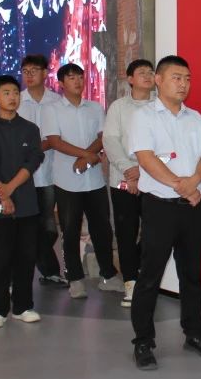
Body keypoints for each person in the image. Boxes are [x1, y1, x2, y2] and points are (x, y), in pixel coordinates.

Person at [128, 55, 201, 370]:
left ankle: (194, 333)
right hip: (160, 207)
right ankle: (143, 341)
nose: (183, 84)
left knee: (191, 275)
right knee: (150, 276)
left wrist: (193, 183)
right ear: (159, 80)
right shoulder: (144, 117)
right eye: (177, 78)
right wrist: (183, 185)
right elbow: (146, 158)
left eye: (187, 78)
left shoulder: (196, 118)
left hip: (192, 208)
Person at [0, 75, 45, 328]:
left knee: (25, 258)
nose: (12, 97)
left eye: (15, 92)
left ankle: (23, 306)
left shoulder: (30, 129)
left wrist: (11, 188)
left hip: (26, 203)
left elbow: (34, 160)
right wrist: (2, 195)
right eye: (6, 93)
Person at [40, 63, 116, 300]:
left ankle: (108, 276)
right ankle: (75, 279)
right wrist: (86, 156)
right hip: (66, 181)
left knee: (102, 229)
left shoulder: (94, 107)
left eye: (81, 77)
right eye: (72, 78)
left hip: (94, 180)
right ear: (61, 83)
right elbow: (54, 142)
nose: (78, 81)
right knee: (70, 231)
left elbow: (103, 137)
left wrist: (86, 158)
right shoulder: (52, 109)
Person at [104, 59, 155, 307]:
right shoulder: (118, 107)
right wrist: (129, 170)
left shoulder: (159, 106)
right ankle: (131, 284)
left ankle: (143, 275)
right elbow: (110, 140)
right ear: (130, 79)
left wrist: (142, 172)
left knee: (155, 232)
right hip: (123, 180)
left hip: (154, 180)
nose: (147, 75)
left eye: (150, 72)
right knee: (126, 233)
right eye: (141, 72)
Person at [17, 54, 65, 288]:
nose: (29, 75)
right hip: (23, 175)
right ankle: (49, 271)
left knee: (48, 227)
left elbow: (59, 136)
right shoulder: (17, 100)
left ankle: (39, 265)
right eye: (25, 71)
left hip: (50, 173)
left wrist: (40, 147)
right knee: (27, 224)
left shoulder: (57, 102)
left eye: (34, 70)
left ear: (45, 73)